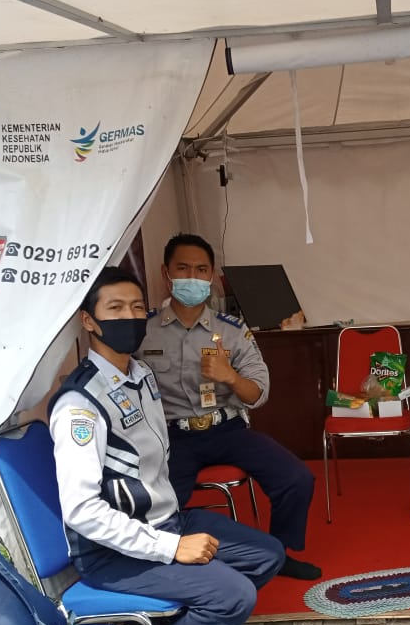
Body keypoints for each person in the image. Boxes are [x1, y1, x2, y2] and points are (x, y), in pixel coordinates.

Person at [49, 267, 320, 625]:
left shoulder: (140, 375)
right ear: (88, 321)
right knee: (232, 596)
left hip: (167, 521)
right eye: (115, 308)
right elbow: (82, 511)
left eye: (137, 307)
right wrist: (171, 547)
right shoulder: (80, 405)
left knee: (267, 555)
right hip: (117, 552)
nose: (129, 317)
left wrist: (173, 534)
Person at [137, 234, 321, 581]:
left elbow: (258, 394)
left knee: (296, 479)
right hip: (172, 437)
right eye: (183, 268)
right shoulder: (143, 331)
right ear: (166, 273)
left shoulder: (232, 331)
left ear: (211, 275)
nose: (192, 277)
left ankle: (279, 553)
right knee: (162, 503)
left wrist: (230, 377)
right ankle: (175, 561)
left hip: (227, 430)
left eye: (201, 270)